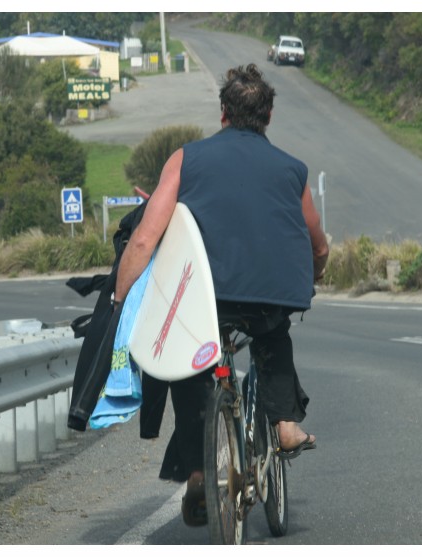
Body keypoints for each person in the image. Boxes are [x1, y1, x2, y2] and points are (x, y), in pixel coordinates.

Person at [113, 64, 329, 527]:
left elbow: (146, 239)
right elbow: (318, 242)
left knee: (192, 369)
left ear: (224, 113)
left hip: (208, 297)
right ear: (268, 116)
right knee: (273, 337)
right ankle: (286, 426)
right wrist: (317, 271)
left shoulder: (187, 159)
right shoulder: (293, 170)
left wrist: (120, 298)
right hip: (272, 294)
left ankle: (196, 469)